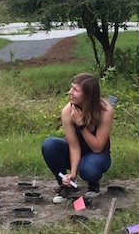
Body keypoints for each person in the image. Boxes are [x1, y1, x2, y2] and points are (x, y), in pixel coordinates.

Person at [41, 73, 114, 204]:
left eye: (75, 90)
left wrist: (81, 125)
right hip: (75, 153)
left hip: (98, 156)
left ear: (87, 95)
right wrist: (73, 174)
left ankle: (93, 184)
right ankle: (66, 185)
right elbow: (73, 146)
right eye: (71, 88)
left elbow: (97, 147)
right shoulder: (67, 111)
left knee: (89, 169)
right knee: (49, 145)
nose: (70, 92)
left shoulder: (105, 110)